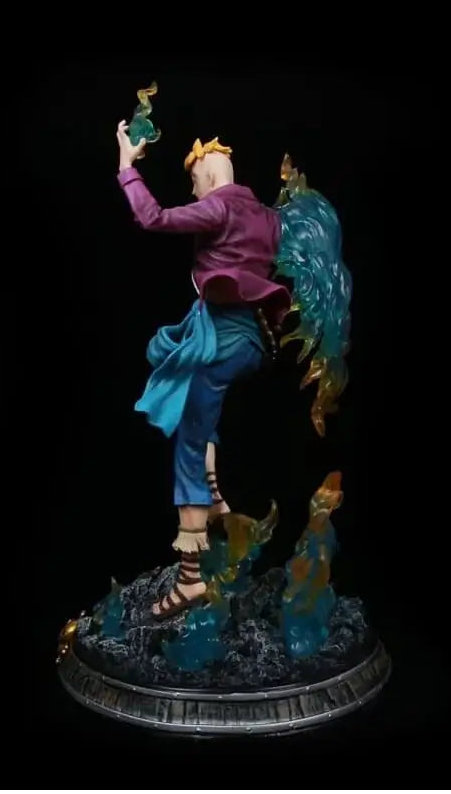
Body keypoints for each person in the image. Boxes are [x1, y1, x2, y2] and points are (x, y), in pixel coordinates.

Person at [115, 121, 291, 620]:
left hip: (220, 340)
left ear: (208, 178)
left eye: (194, 183)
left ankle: (190, 581)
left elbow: (152, 217)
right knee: (192, 396)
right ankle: (214, 496)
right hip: (250, 342)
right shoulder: (268, 216)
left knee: (188, 447)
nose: (193, 192)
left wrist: (127, 167)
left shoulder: (218, 206)